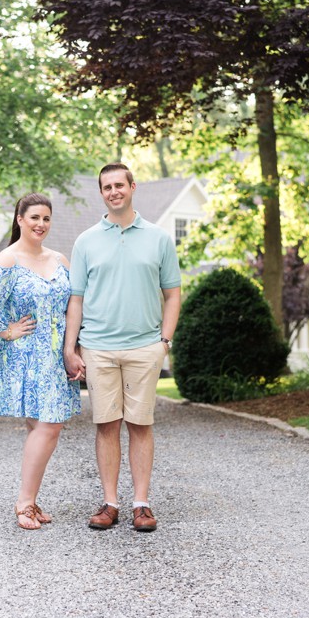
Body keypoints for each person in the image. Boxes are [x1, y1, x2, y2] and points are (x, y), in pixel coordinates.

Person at [63, 163, 181, 533]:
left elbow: (173, 294)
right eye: (106, 187)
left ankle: (141, 504)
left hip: (145, 347)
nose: (113, 191)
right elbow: (76, 299)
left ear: (133, 187)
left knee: (140, 424)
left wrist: (164, 342)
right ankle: (110, 503)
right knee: (106, 425)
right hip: (97, 347)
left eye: (119, 185)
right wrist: (72, 348)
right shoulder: (86, 241)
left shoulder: (159, 238)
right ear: (101, 193)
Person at [0, 193, 82, 530]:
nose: (40, 224)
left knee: (41, 428)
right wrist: (6, 332)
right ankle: (24, 503)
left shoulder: (59, 259)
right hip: (25, 359)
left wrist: (73, 348)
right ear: (20, 219)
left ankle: (32, 499)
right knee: (49, 427)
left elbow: (75, 302)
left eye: (46, 218)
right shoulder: (8, 260)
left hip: (55, 356)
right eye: (34, 218)